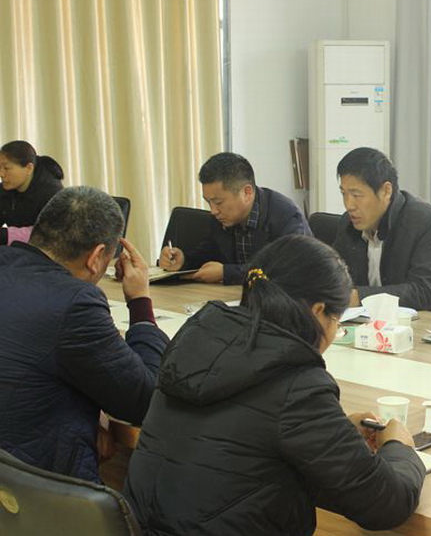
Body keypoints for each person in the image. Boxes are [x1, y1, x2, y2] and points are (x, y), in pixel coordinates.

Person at [125, 235, 425, 535]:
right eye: (337, 320)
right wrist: (399, 447)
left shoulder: (193, 344)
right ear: (317, 311)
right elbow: (386, 504)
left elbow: (246, 441)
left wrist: (337, 431)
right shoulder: (297, 385)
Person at [0, 186, 168, 483]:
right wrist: (140, 302)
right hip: (32, 490)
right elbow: (143, 402)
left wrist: (90, 415)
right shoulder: (75, 302)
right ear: (96, 256)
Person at [332, 147, 431, 313]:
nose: (349, 205)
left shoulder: (428, 222)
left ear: (386, 191)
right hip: (374, 321)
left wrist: (357, 297)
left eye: (356, 195)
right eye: (343, 194)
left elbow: (422, 293)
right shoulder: (348, 223)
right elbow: (337, 278)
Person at [159, 152, 311, 285]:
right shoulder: (222, 216)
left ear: (247, 192)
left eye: (218, 202)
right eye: (208, 202)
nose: (213, 211)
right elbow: (209, 252)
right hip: (236, 297)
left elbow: (288, 269)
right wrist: (183, 261)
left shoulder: (286, 215)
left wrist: (227, 273)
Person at [0, 140, 64, 245]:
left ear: (29, 168)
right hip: (17, 248)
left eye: (6, 168)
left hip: (46, 250)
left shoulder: (52, 193)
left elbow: (51, 234)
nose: (1, 174)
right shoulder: (5, 190)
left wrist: (5, 235)